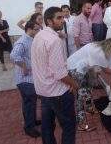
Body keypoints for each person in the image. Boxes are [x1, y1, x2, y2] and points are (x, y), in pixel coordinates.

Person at [31, 7, 78, 144]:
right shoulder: (54, 40)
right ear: (49, 21)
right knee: (69, 126)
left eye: (63, 17)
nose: (62, 21)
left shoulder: (39, 36)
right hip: (58, 92)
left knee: (47, 126)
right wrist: (75, 85)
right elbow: (60, 74)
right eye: (59, 18)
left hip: (43, 91)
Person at [67, 38, 111, 131]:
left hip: (75, 66)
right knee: (81, 96)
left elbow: (92, 64)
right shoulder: (101, 55)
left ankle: (89, 108)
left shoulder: (95, 46)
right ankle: (81, 124)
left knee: (89, 87)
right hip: (75, 70)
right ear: (110, 47)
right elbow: (107, 71)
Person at [10, 21, 41, 138]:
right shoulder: (23, 41)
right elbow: (13, 56)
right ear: (29, 29)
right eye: (36, 29)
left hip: (28, 79)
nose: (38, 32)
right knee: (29, 103)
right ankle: (29, 128)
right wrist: (24, 66)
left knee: (29, 102)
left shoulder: (30, 39)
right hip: (25, 80)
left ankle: (32, 121)